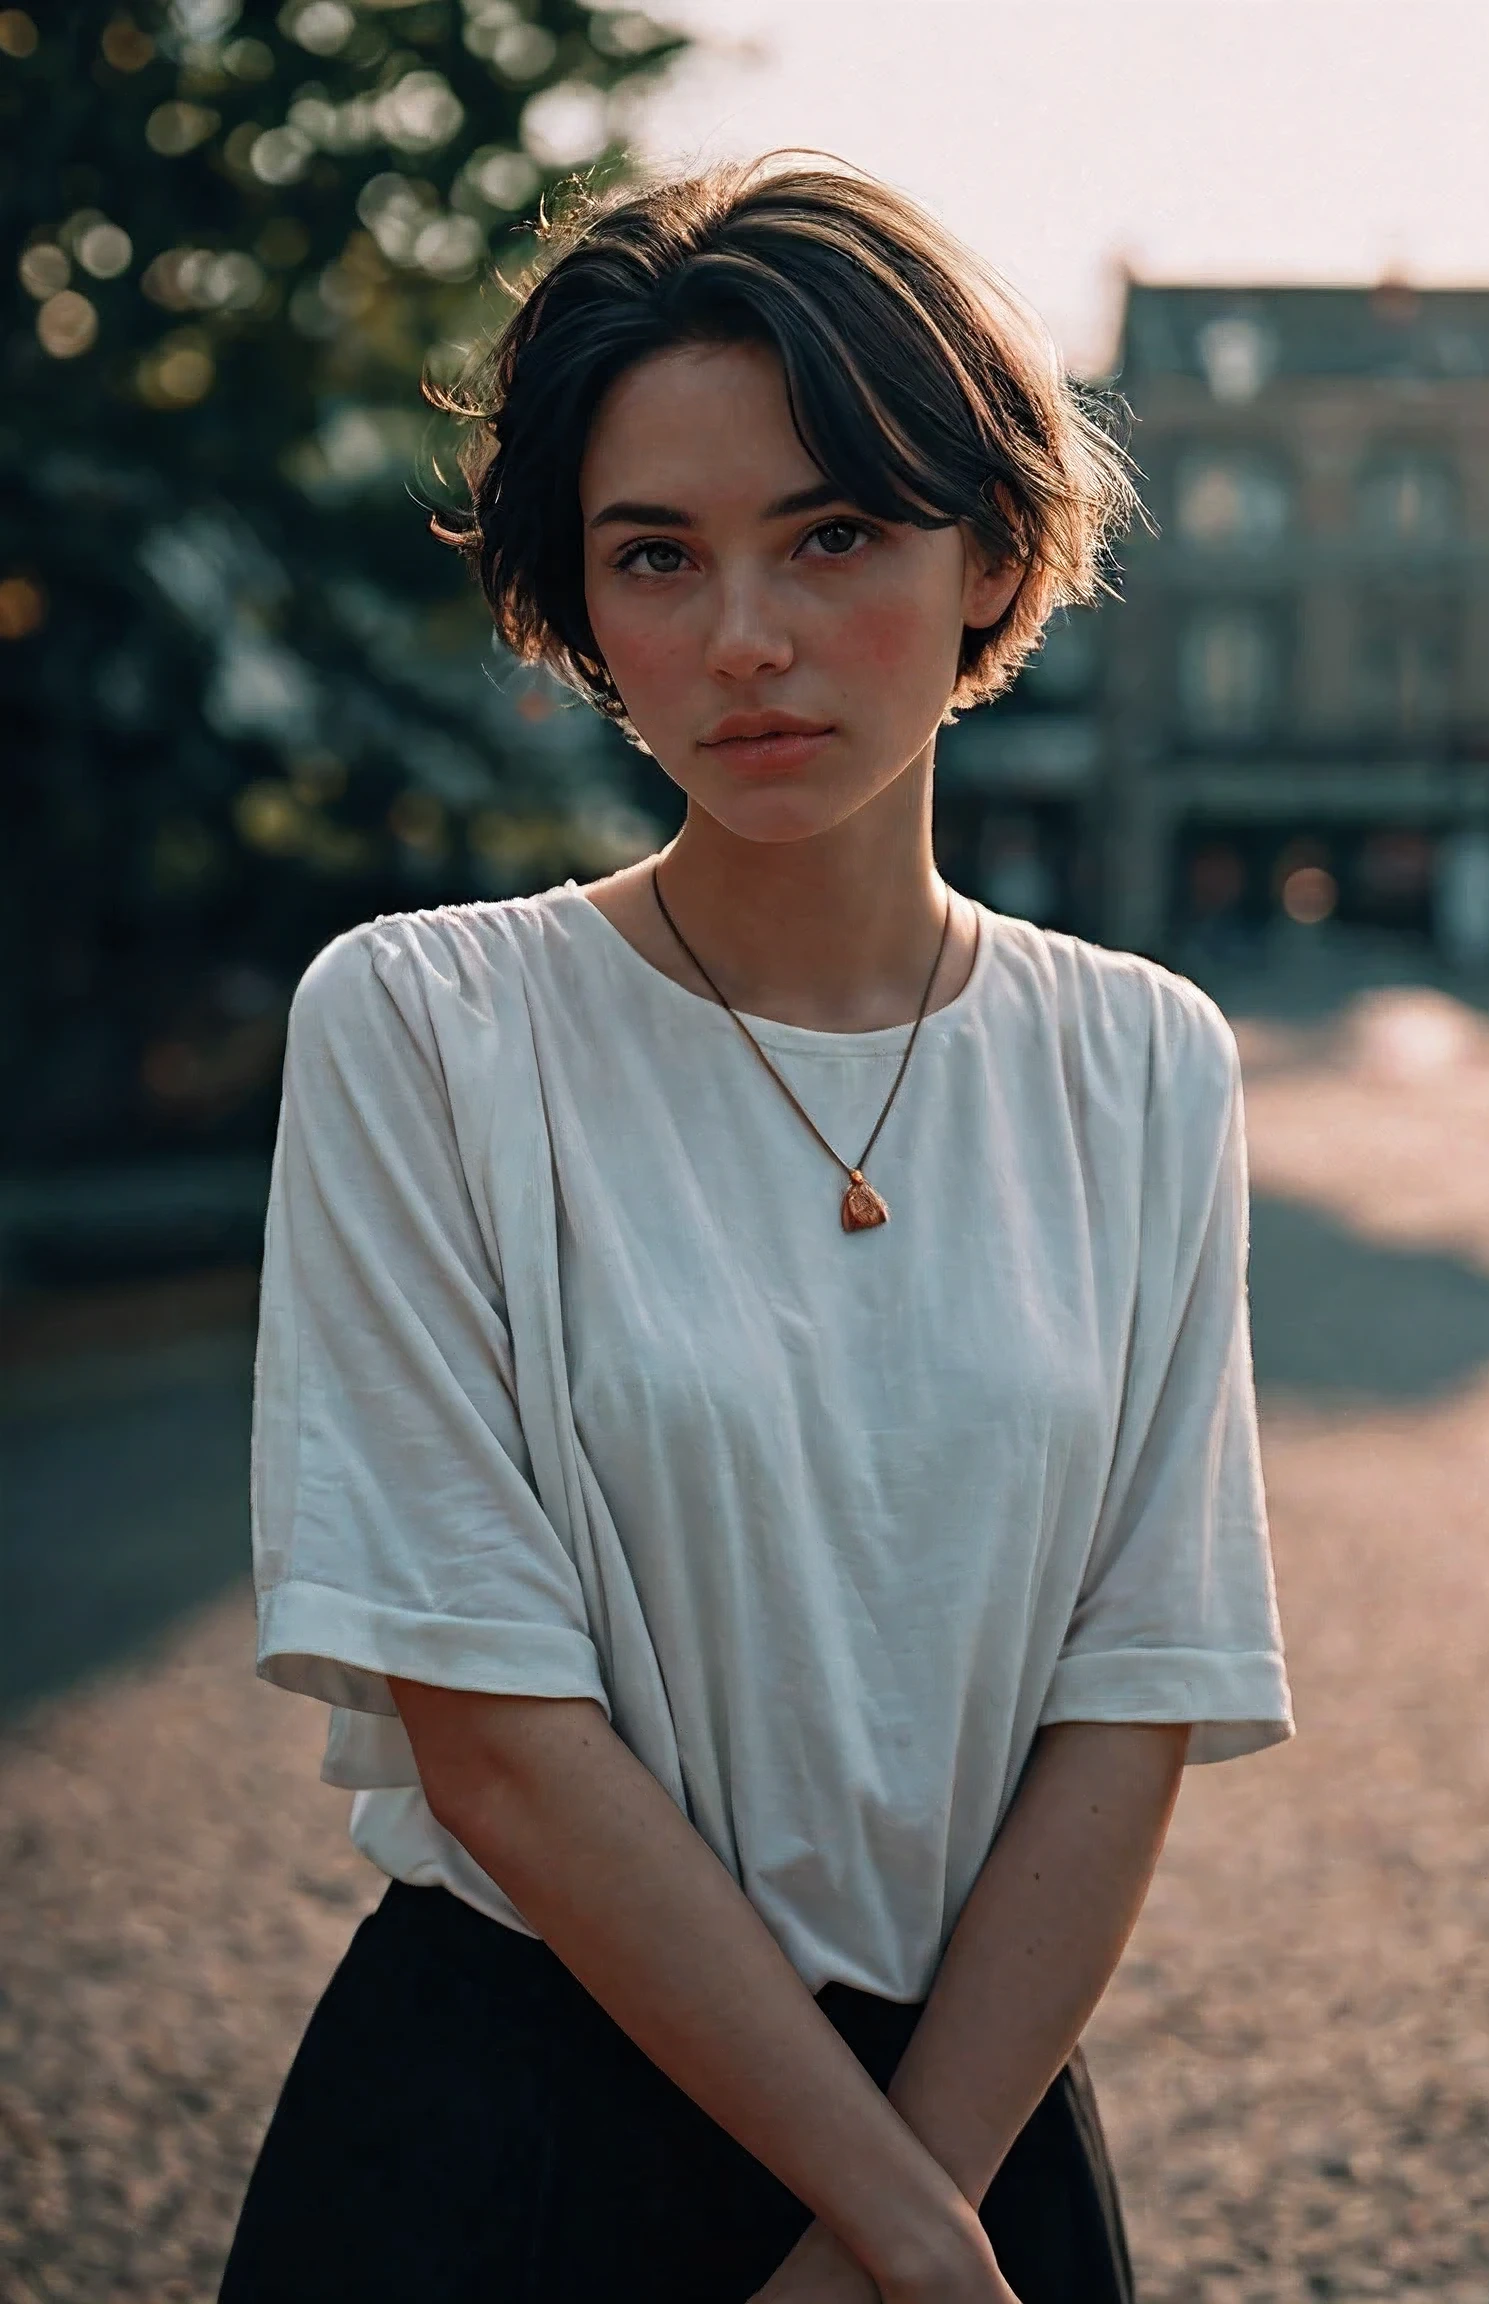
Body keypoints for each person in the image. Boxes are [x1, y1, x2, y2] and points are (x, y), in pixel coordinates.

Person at [221, 156, 1294, 2304]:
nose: (743, 639)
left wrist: (922, 2205)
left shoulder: (1141, 1063)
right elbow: (494, 1732)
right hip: (512, 2142)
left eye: (832, 533)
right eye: (656, 555)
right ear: (574, 601)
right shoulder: (430, 1024)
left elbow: (1135, 1693)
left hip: (975, 2123)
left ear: (991, 552)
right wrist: (906, 2249)